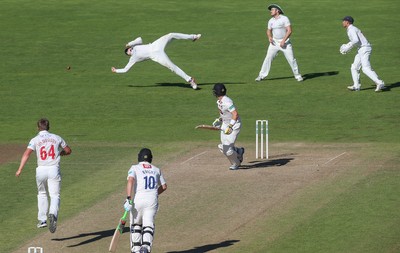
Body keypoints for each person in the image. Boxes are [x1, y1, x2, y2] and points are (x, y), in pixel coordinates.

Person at [15, 118, 71, 233]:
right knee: (55, 195)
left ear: (38, 128)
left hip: (40, 170)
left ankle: (42, 220)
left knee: (42, 194)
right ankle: (53, 213)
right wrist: (61, 153)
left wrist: (20, 169)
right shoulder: (57, 137)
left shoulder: (35, 140)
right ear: (48, 127)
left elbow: (26, 154)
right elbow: (68, 150)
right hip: (53, 169)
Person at [111, 33, 202, 90]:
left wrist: (129, 44)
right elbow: (126, 69)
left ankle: (193, 37)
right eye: (128, 52)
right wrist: (116, 70)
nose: (130, 50)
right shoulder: (133, 58)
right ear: (129, 55)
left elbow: (140, 39)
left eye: (129, 49)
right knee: (172, 67)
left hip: (155, 45)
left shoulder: (135, 46)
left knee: (171, 35)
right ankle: (190, 80)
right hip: (155, 55)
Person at [123, 148, 167, 253]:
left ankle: (136, 249)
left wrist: (128, 198)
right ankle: (145, 248)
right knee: (148, 225)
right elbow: (164, 186)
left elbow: (130, 181)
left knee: (136, 225)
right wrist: (155, 194)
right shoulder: (156, 169)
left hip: (138, 200)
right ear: (150, 158)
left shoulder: (135, 168)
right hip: (152, 201)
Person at [255, 4, 303, 82]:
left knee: (291, 59)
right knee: (268, 58)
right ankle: (261, 75)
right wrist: (270, 37)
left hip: (285, 43)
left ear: (277, 11)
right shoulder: (271, 20)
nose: (270, 11)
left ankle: (297, 75)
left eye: (272, 10)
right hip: (274, 43)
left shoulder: (284, 19)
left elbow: (289, 30)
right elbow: (268, 30)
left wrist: (283, 40)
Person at [340, 16, 385, 92]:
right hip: (361, 49)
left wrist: (348, 47)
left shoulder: (351, 29)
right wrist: (349, 45)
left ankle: (379, 83)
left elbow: (356, 40)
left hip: (364, 49)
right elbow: (356, 41)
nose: (342, 22)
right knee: (354, 67)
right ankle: (356, 86)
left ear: (347, 22)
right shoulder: (351, 29)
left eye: (343, 21)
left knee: (365, 68)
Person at [211, 83, 245, 170]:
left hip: (234, 125)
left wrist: (230, 126)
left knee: (227, 150)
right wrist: (219, 120)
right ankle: (238, 151)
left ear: (215, 92)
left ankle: (236, 163)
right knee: (223, 147)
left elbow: (235, 114)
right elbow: (226, 114)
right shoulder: (220, 101)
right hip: (225, 124)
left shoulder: (227, 101)